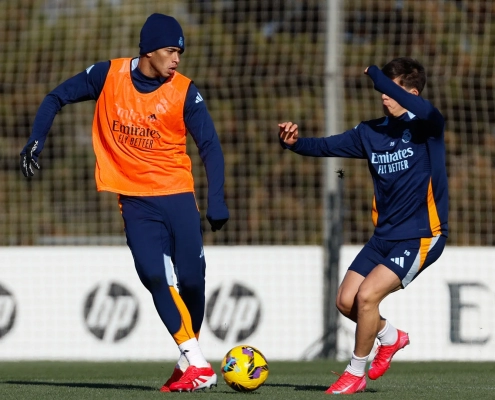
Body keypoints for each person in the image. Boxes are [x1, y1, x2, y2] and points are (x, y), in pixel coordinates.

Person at [20, 13, 229, 393]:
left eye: (180, 52)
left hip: (177, 194)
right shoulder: (107, 75)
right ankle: (198, 362)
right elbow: (56, 97)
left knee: (193, 283)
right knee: (152, 275)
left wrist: (217, 201)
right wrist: (37, 138)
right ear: (149, 50)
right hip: (134, 198)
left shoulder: (184, 91)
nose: (177, 58)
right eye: (170, 51)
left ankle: (187, 363)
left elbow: (210, 147)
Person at [279, 57, 447, 394]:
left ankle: (355, 373)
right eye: (383, 89)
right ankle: (390, 336)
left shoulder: (428, 125)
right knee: (346, 301)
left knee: (367, 297)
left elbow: (416, 105)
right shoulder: (369, 132)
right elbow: (326, 146)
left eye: (393, 89)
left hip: (421, 237)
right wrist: (293, 143)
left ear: (413, 93)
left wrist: (374, 74)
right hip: (382, 238)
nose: (384, 96)